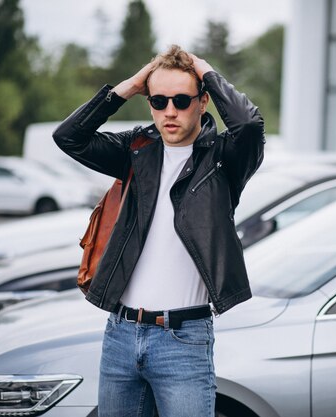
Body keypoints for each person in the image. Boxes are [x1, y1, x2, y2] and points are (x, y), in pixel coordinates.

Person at [53, 45, 264, 417]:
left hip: (183, 339)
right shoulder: (136, 149)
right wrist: (128, 87)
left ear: (203, 102)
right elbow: (69, 137)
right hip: (120, 333)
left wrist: (206, 71)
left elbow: (248, 125)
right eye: (159, 100)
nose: (170, 111)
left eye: (182, 100)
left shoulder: (222, 158)